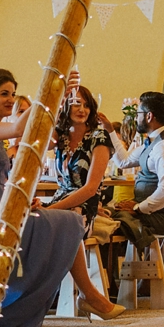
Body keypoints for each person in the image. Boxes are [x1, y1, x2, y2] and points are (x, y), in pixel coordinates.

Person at [0, 69, 123, 327]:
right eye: (4, 94)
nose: (11, 100)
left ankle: (88, 295)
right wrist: (53, 92)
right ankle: (89, 295)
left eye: (13, 93)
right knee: (66, 222)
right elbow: (18, 127)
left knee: (66, 221)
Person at [109, 91, 164, 248]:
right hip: (151, 213)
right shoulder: (153, 141)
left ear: (149, 116)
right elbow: (124, 161)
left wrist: (138, 208)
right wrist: (109, 132)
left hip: (162, 218)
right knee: (107, 214)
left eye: (138, 113)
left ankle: (141, 246)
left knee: (112, 220)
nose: (136, 118)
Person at [44, 85, 113, 234]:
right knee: (30, 223)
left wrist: (50, 210)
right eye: (76, 104)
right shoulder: (61, 135)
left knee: (57, 226)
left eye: (87, 105)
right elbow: (42, 146)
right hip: (60, 200)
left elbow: (90, 189)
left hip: (84, 205)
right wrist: (56, 115)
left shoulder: (99, 137)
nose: (82, 109)